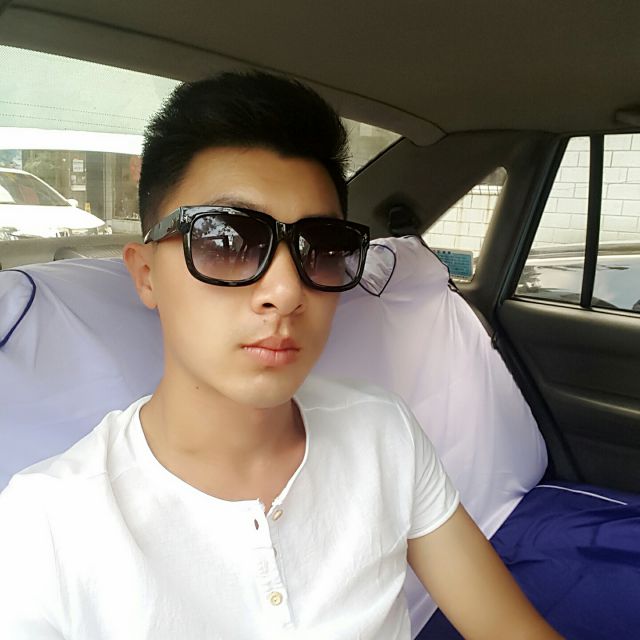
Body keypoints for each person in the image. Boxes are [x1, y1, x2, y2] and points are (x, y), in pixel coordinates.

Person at [0, 71, 562, 639]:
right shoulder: (46, 525)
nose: (287, 291)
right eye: (226, 240)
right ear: (146, 275)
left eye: (322, 249)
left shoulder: (382, 432)